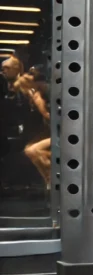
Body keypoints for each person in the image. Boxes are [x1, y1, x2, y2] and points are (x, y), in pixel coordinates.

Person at [2, 57, 51, 189]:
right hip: (30, 126)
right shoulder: (15, 86)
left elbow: (46, 114)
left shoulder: (35, 91)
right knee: (30, 150)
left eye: (7, 68)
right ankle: (49, 180)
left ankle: (51, 180)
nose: (4, 71)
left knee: (33, 150)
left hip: (42, 126)